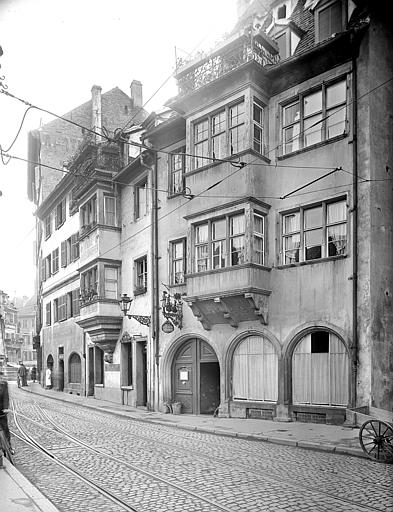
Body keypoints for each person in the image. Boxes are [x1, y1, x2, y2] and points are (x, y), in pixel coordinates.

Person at [0, 370, 14, 454]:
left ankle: (9, 446)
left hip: (1, 411)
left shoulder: (4, 384)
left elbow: (6, 397)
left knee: (5, 429)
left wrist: (5, 408)